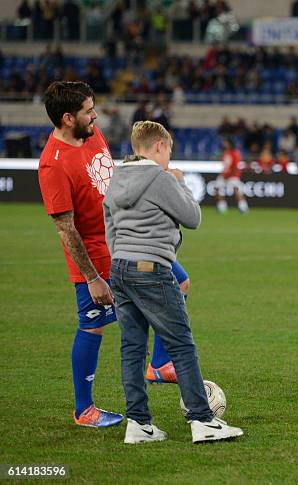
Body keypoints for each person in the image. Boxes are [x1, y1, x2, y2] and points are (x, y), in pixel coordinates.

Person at [37, 81, 183, 429]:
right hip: (95, 256)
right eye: (89, 110)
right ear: (68, 118)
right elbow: (65, 228)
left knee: (180, 283)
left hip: (125, 238)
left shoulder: (93, 136)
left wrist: (158, 176)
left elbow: (116, 176)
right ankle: (84, 409)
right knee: (94, 325)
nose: (95, 115)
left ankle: (159, 365)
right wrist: (92, 278)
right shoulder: (52, 165)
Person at [104, 121, 244, 444]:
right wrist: (179, 183)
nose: (170, 157)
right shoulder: (160, 178)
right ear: (157, 147)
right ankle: (201, 419)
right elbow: (192, 217)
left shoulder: (117, 176)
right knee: (181, 343)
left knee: (132, 348)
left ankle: (138, 425)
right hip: (151, 268)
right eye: (169, 150)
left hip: (121, 268)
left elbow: (108, 222)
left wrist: (120, 256)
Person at [215, 138, 249, 214]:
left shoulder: (235, 153)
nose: (224, 144)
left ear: (230, 143)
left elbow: (235, 165)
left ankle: (243, 207)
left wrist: (231, 174)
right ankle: (222, 207)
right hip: (224, 174)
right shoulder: (225, 152)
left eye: (225, 143)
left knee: (236, 190)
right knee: (217, 188)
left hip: (233, 175)